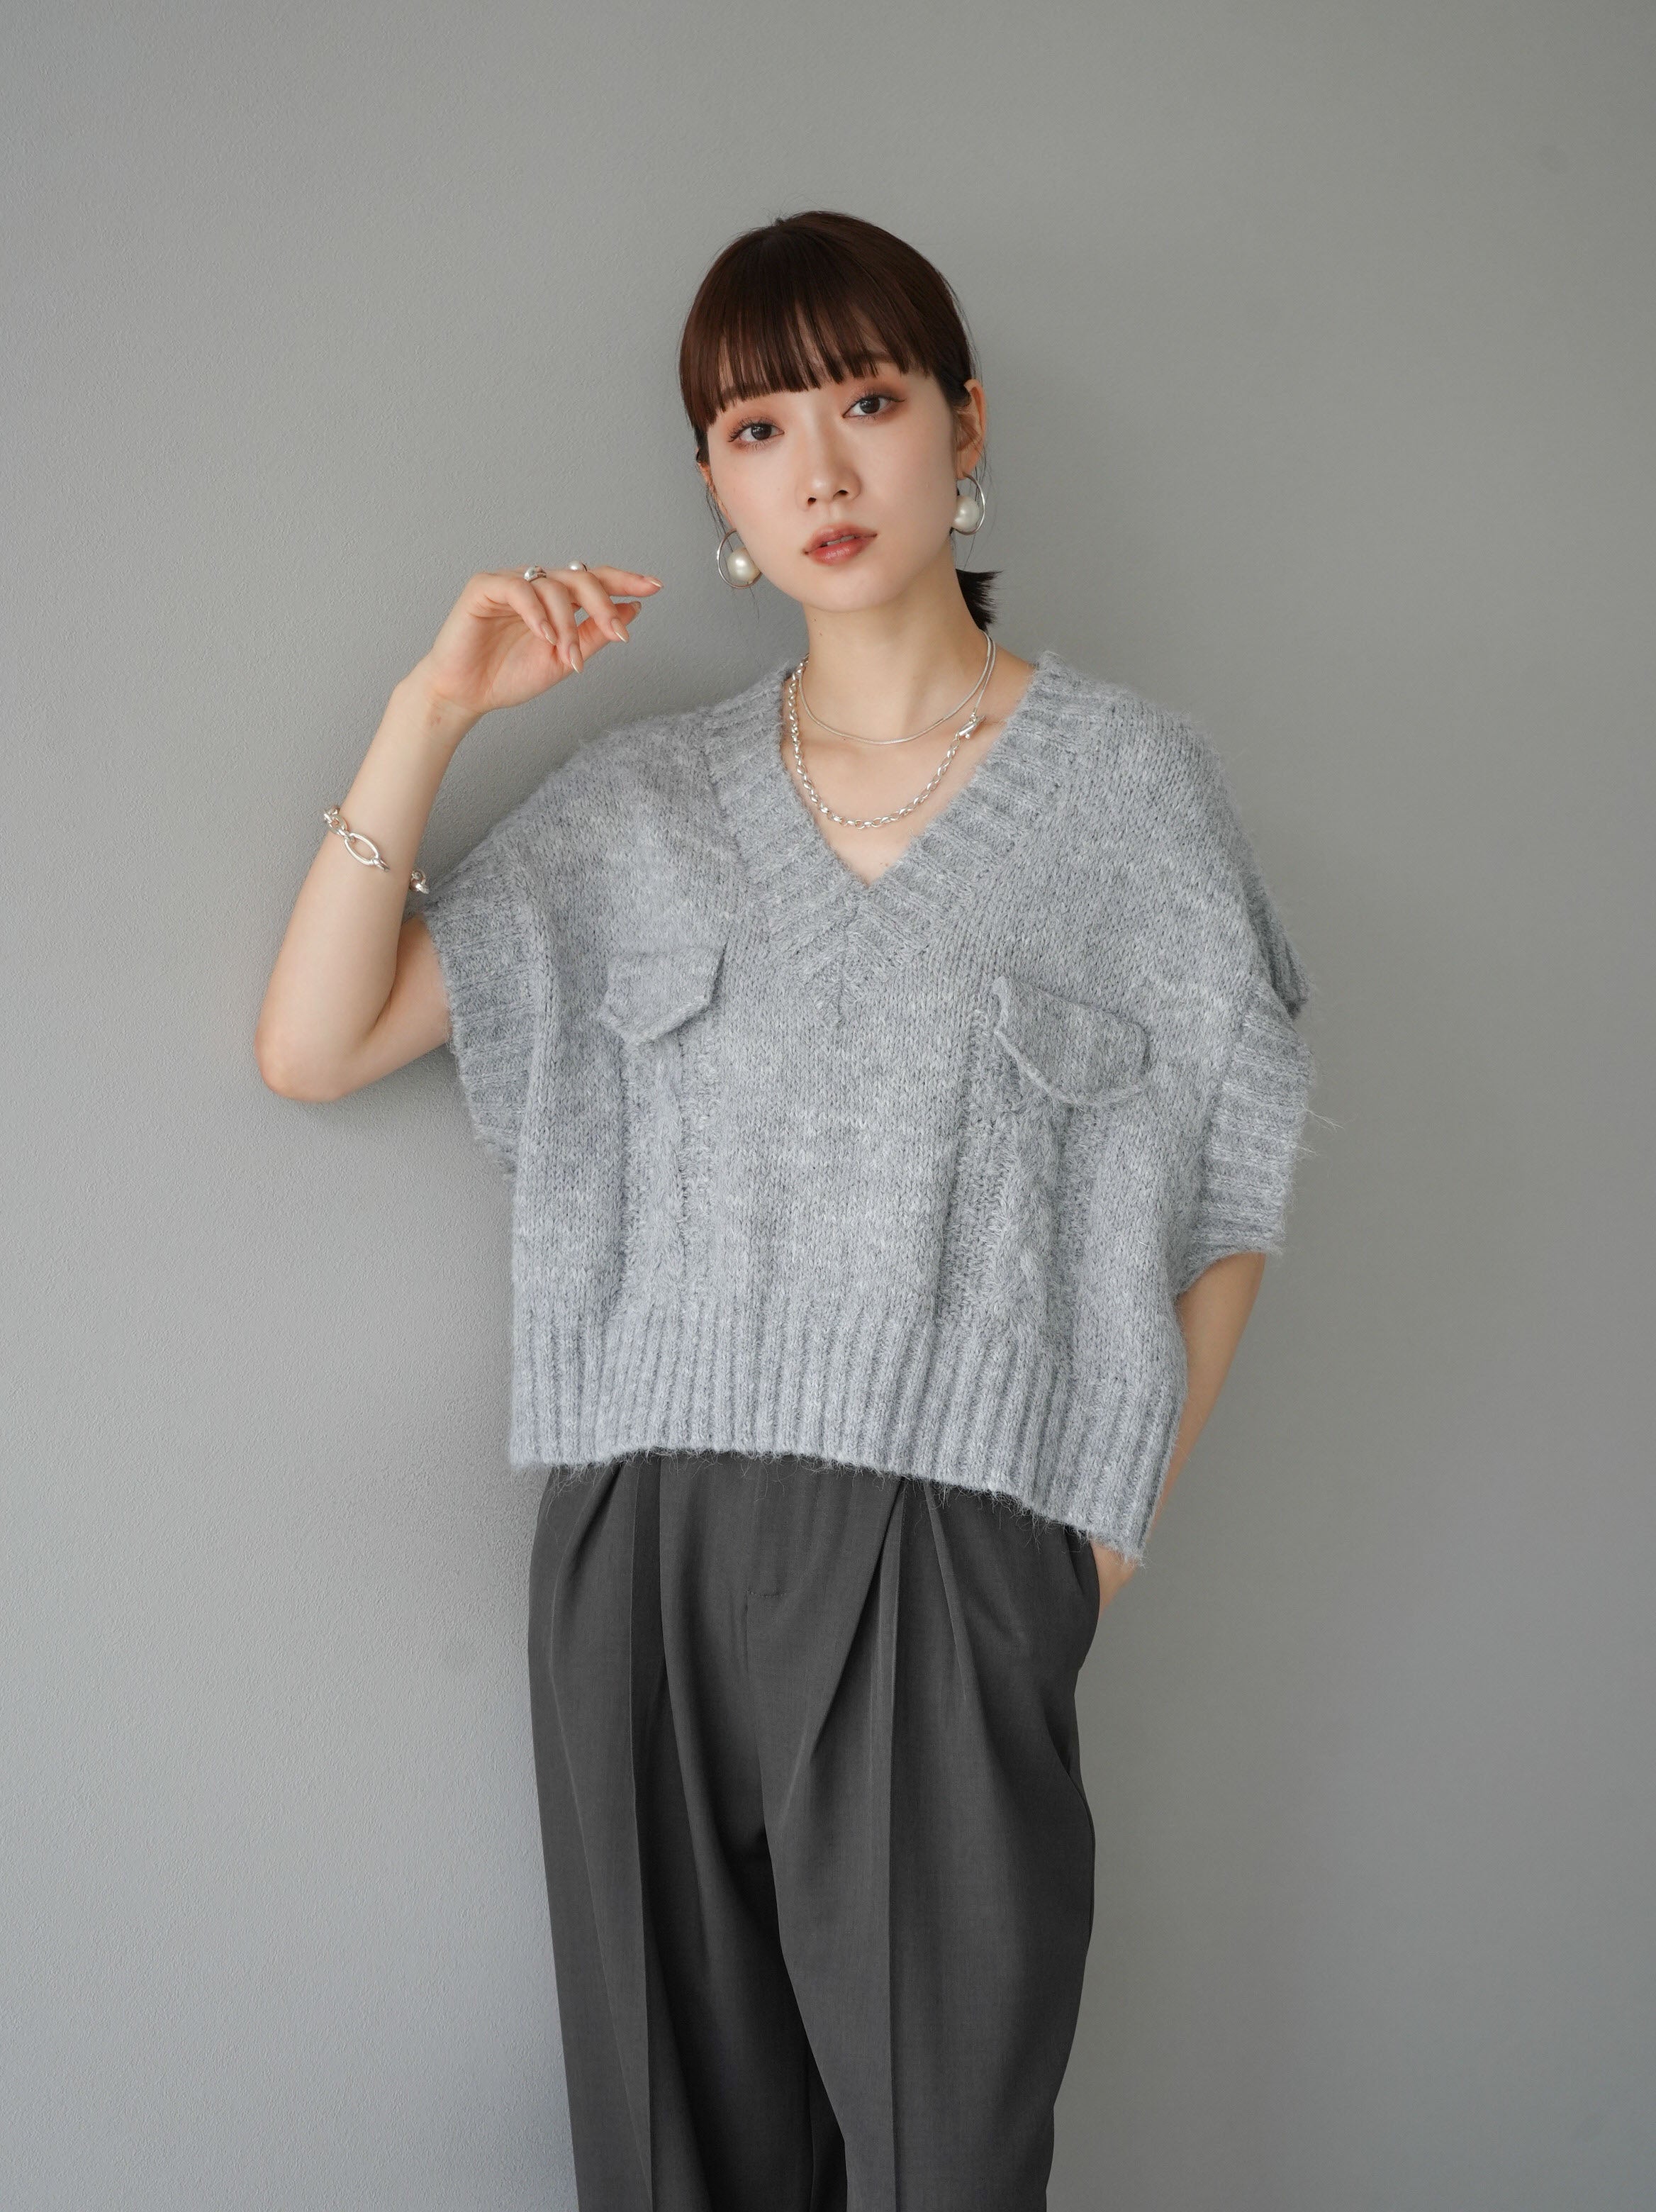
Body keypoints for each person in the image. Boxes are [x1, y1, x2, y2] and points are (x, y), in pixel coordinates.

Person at [256, 209, 1315, 2212]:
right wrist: (435, 706)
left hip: (955, 1543)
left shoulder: (1130, 794)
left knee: (945, 2164)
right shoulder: (639, 807)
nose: (820, 468)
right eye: (756, 429)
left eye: (868, 402)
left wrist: (1095, 1540)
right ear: (718, 490)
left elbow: (1231, 1191)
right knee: (679, 2164)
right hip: (643, 1544)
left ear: (962, 429)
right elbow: (317, 1043)